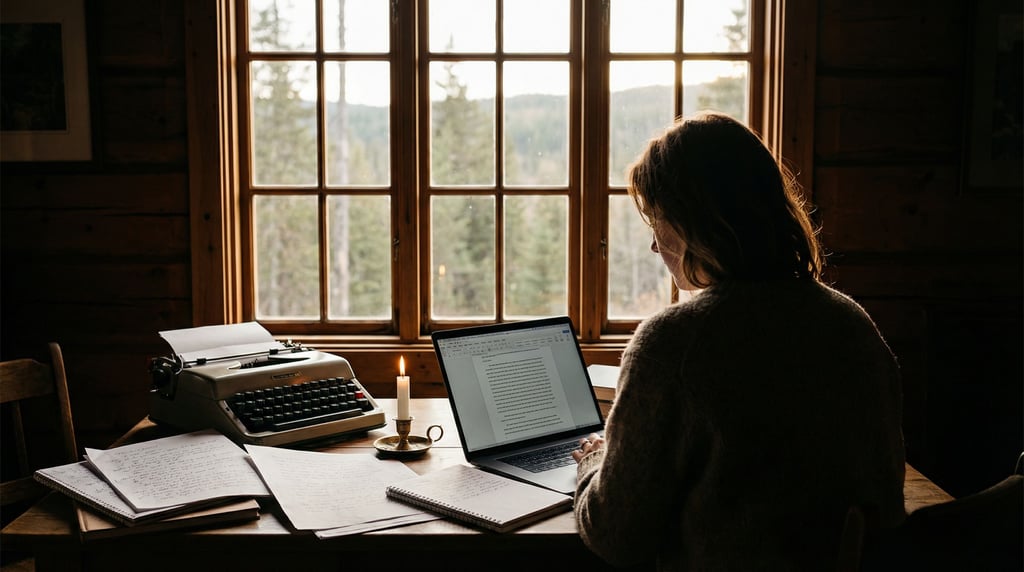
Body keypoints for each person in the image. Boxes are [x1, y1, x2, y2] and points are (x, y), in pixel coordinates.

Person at [571, 112, 905, 571]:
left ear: (695, 224)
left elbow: (614, 535)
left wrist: (594, 461)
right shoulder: (850, 322)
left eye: (659, 222)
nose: (654, 245)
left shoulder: (674, 342)